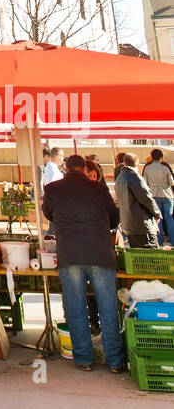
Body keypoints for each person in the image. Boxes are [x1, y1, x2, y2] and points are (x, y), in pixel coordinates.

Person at [43, 154, 126, 373]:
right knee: (108, 308)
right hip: (100, 253)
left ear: (66, 168)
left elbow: (49, 215)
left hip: (70, 254)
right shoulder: (98, 189)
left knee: (75, 307)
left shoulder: (52, 189)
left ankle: (83, 359)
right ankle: (115, 361)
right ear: (83, 168)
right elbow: (115, 219)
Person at [115, 154, 162, 248]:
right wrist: (157, 214)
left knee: (137, 257)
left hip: (128, 225)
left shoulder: (119, 179)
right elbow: (147, 198)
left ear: (124, 163)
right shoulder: (135, 177)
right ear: (138, 165)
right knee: (151, 257)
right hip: (142, 225)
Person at [143, 149, 174, 247]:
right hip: (167, 195)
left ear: (151, 157)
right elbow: (172, 182)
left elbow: (144, 183)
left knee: (157, 219)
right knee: (169, 218)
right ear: (161, 157)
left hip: (154, 196)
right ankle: (173, 240)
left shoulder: (147, 168)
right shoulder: (165, 168)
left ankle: (159, 242)